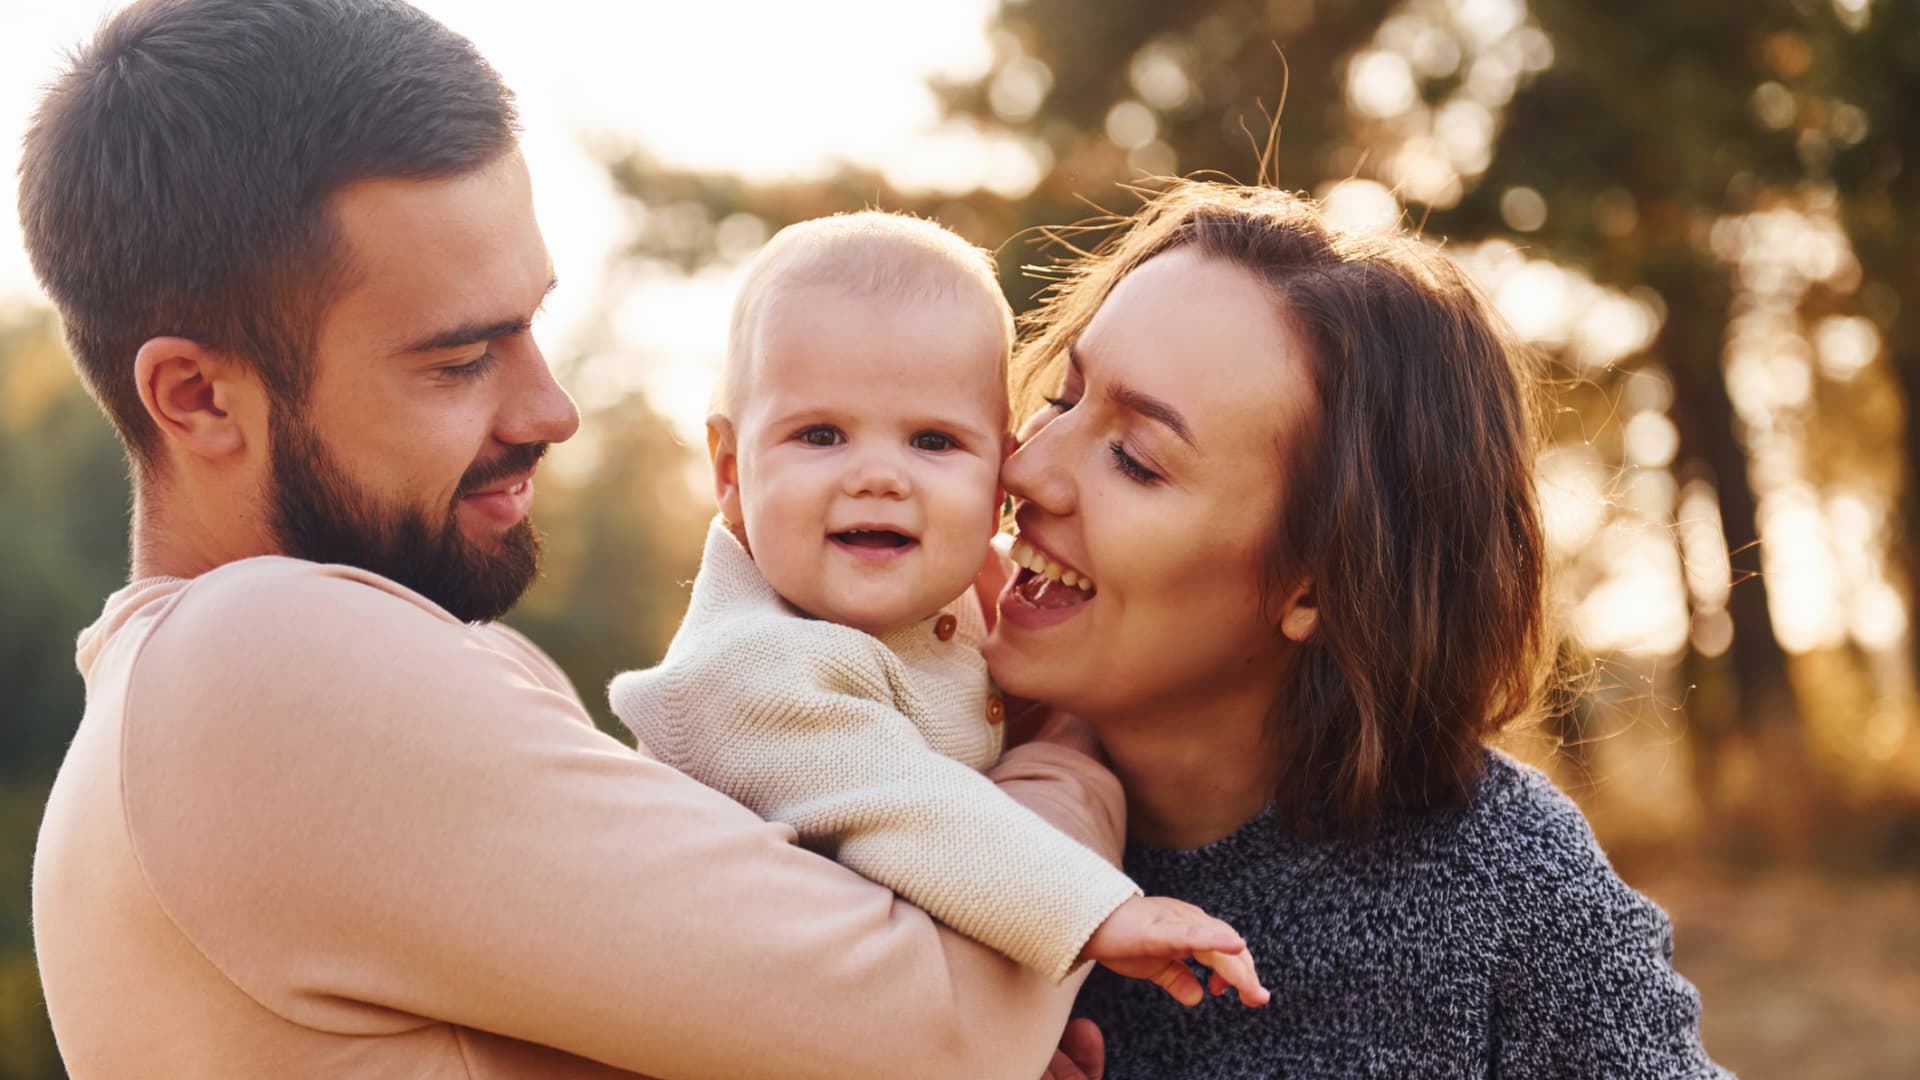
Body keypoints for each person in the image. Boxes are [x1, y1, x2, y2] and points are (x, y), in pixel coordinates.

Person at [22, 1, 1120, 1076]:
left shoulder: (223, 704)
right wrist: (1069, 756)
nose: (551, 410)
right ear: (199, 396)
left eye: (532, 324)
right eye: (460, 360)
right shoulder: (256, 662)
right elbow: (938, 1036)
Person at [980, 181, 1734, 1078]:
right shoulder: (895, 788)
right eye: (1063, 399)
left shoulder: (1504, 890)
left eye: (1136, 460)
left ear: (1317, 584)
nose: (1026, 468)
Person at [611, 211, 1267, 1004]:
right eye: (821, 435)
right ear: (729, 474)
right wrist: (1099, 915)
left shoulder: (959, 606)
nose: (880, 477)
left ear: (998, 481)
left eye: (933, 443)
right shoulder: (749, 667)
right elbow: (911, 811)